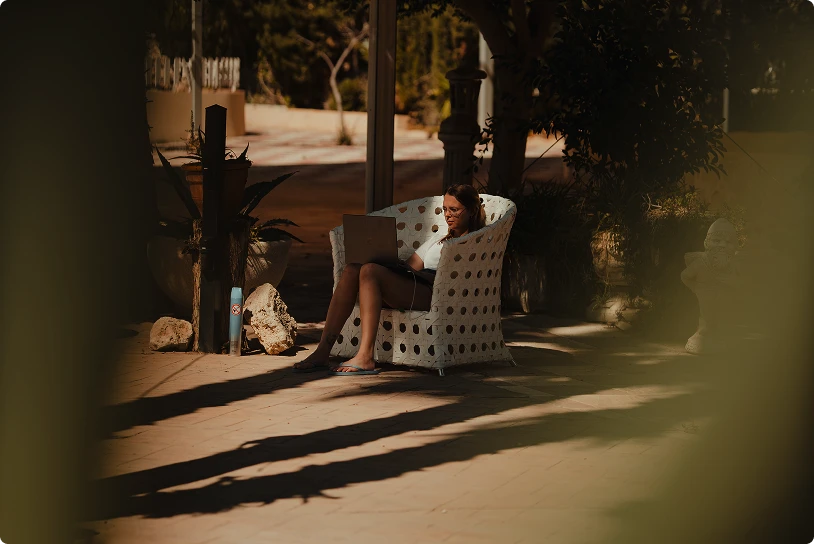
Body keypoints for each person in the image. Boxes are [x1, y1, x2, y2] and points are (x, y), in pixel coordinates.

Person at [293, 184, 487, 375]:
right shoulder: (438, 238)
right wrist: (388, 262)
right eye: (444, 209)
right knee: (352, 270)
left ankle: (365, 356)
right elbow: (411, 266)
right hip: (416, 283)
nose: (447, 215)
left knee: (370, 271)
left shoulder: (474, 241)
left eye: (454, 210)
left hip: (436, 291)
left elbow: (465, 279)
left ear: (471, 211)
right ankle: (323, 351)